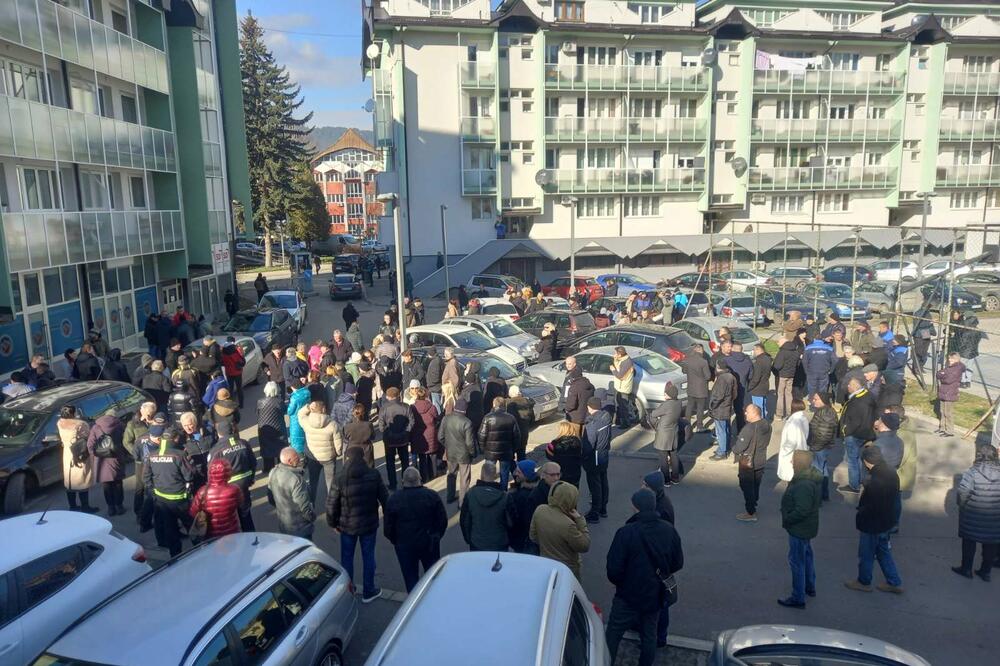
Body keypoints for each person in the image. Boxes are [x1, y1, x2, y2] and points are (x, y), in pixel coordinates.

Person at [605, 488, 684, 664]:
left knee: (613, 633)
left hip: (627, 595)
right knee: (649, 635)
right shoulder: (669, 530)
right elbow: (678, 563)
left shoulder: (626, 532)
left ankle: (606, 661)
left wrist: (621, 584)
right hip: (654, 594)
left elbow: (613, 568)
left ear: (636, 507)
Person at [327, 446, 389, 603]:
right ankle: (369, 591)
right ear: (363, 457)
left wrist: (333, 523)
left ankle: (349, 590)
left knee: (347, 558)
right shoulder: (373, 475)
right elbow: (385, 499)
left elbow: (332, 504)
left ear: (347, 458)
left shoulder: (340, 477)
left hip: (346, 525)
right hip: (369, 525)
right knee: (368, 557)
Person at [846, 446, 903, 594]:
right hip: (886, 522)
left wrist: (860, 515)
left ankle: (864, 581)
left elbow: (868, 506)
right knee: (883, 551)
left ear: (867, 462)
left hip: (872, 524)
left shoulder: (873, 480)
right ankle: (894, 581)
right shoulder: (892, 473)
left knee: (866, 553)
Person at [384, 467, 448, 593]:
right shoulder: (431, 496)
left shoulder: (394, 499)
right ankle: (433, 599)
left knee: (411, 579)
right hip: (428, 543)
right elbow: (442, 521)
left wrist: (396, 541)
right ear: (420, 479)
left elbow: (388, 527)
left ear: (403, 481)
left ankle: (415, 605)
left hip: (405, 545)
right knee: (433, 576)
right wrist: (436, 537)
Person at [778, 450, 822, 608]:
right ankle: (810, 586)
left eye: (793, 460)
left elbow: (802, 510)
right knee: (807, 555)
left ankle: (798, 597)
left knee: (797, 561)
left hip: (799, 528)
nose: (791, 462)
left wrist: (788, 519)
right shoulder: (809, 478)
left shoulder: (803, 484)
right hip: (807, 528)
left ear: (799, 463)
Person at [143, 427, 195, 556]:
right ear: (175, 439)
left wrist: (154, 492)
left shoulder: (152, 455)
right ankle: (200, 550)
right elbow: (189, 475)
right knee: (192, 527)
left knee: (170, 530)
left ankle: (175, 556)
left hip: (162, 500)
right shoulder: (179, 454)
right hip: (180, 499)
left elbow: (146, 477)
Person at [953, 443, 1000, 581]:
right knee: (991, 543)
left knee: (969, 542)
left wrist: (962, 506)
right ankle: (985, 572)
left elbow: (963, 493)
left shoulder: (972, 472)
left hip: (972, 515)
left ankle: (966, 569)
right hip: (994, 517)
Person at [530, 481, 591, 579]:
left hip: (546, 561)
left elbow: (533, 536)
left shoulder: (540, 510)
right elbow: (584, 546)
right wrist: (580, 520)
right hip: (567, 567)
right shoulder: (568, 525)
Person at [460, 461, 513, 552]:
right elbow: (512, 522)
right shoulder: (505, 497)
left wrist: (469, 539)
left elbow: (464, 521)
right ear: (495, 476)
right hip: (499, 543)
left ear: (481, 475)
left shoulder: (470, 494)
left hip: (477, 543)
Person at [732, 404, 772, 522]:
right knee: (756, 484)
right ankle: (754, 501)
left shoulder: (748, 429)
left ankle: (750, 512)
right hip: (761, 460)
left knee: (746, 486)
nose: (745, 414)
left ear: (755, 413)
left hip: (748, 463)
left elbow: (739, 448)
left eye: (747, 412)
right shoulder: (766, 424)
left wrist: (734, 448)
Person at [267, 447, 316, 539]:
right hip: (300, 528)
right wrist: (312, 517)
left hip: (284, 525)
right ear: (289, 461)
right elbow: (304, 506)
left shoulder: (273, 472)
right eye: (296, 457)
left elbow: (271, 498)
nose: (299, 459)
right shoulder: (296, 480)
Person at [300, 400, 343, 505]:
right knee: (330, 483)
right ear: (324, 409)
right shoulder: (333, 425)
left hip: (312, 457)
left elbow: (300, 414)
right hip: (328, 458)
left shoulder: (306, 422)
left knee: (313, 481)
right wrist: (338, 453)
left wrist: (308, 407)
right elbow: (338, 444)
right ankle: (331, 505)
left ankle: (311, 503)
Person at [188, 457, 242, 539]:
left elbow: (193, 512)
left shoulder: (202, 491)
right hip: (232, 531)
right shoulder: (234, 489)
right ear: (228, 472)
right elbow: (240, 503)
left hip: (211, 534)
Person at [839, 377, 876, 494]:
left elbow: (853, 422)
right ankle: (859, 480)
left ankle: (854, 485)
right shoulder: (868, 395)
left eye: (849, 385)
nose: (847, 387)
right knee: (856, 459)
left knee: (852, 461)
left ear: (855, 387)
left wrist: (845, 432)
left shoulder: (857, 402)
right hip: (865, 433)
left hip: (854, 435)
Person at [58, 406, 97, 513]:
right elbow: (88, 437)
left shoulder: (60, 423)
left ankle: (73, 506)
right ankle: (85, 507)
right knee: (82, 479)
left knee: (70, 480)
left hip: (67, 453)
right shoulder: (80, 424)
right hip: (79, 452)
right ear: (73, 413)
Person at [88, 415, 128, 515]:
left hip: (101, 461)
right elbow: (125, 441)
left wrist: (96, 454)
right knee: (118, 483)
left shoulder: (96, 427)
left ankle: (111, 508)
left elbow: (90, 445)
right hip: (116, 458)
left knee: (106, 485)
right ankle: (119, 506)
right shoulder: (119, 425)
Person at [478, 396, 520, 489]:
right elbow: (516, 436)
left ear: (494, 405)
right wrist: (514, 450)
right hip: (506, 451)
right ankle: (503, 492)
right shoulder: (511, 417)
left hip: (490, 451)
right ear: (504, 405)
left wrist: (483, 449)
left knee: (488, 473)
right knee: (504, 474)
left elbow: (482, 435)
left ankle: (487, 489)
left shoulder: (488, 417)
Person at [582, 397, 612, 524]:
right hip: (604, 455)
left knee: (595, 486)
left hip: (594, 458)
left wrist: (583, 457)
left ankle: (594, 513)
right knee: (603, 481)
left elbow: (589, 444)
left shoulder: (592, 423)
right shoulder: (606, 417)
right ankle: (603, 509)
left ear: (589, 407)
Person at [441, 398, 476, 505]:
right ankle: (462, 502)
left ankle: (450, 497)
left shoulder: (446, 419)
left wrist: (447, 446)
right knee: (464, 478)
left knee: (451, 474)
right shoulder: (467, 422)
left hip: (450, 452)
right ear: (465, 409)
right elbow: (470, 443)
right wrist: (472, 453)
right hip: (464, 455)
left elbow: (440, 437)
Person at [379, 387, 414, 491]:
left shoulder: (383, 408)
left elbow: (381, 426)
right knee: (405, 462)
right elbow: (411, 422)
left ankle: (393, 484)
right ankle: (406, 482)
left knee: (390, 463)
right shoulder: (406, 407)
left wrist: (389, 434)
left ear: (388, 397)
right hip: (403, 439)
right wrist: (405, 432)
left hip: (389, 441)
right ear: (399, 395)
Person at [651, 383, 683, 485]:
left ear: (668, 395)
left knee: (663, 458)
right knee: (674, 456)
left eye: (665, 394)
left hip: (664, 435)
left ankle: (666, 480)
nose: (664, 395)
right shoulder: (678, 403)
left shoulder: (666, 404)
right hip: (674, 433)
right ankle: (675, 478)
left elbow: (654, 414)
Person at [808, 393, 838, 501]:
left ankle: (818, 497)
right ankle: (824, 494)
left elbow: (823, 434)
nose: (813, 401)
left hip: (819, 447)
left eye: (816, 399)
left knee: (817, 473)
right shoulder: (827, 411)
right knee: (823, 470)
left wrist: (815, 447)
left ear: (823, 400)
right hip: (823, 447)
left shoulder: (824, 412)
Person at [410, 388, 441, 481]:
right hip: (431, 432)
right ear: (426, 396)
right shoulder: (432, 407)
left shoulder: (412, 407)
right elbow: (437, 418)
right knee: (433, 455)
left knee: (422, 456)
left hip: (419, 435)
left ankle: (423, 477)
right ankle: (434, 475)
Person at [709, 360, 738, 461]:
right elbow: (735, 393)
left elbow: (718, 396)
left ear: (719, 367)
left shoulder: (722, 379)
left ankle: (722, 452)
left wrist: (713, 406)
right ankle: (726, 447)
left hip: (720, 409)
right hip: (727, 406)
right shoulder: (731, 376)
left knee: (721, 431)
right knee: (726, 428)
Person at [509, 461, 540, 553]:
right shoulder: (536, 490)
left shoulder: (522, 496)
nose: (514, 474)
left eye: (519, 472)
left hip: (523, 540)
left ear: (526, 475)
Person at [777, 399, 809, 483]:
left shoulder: (793, 423)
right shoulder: (803, 419)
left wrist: (784, 452)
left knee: (792, 481)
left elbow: (791, 443)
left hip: (792, 456)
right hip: (800, 453)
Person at [680, 344, 710, 435]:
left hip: (691, 388)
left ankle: (687, 425)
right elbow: (708, 376)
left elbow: (684, 371)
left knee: (689, 406)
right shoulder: (703, 362)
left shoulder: (687, 360)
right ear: (701, 351)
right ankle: (699, 426)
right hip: (701, 389)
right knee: (700, 408)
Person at [563, 356, 595, 437]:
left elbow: (571, 404)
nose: (567, 366)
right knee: (584, 436)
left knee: (575, 437)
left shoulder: (574, 387)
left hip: (575, 417)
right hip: (585, 415)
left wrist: (566, 408)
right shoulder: (589, 384)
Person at [546, 420, 583, 488]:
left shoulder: (554, 443)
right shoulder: (578, 442)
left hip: (560, 474)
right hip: (575, 473)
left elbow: (548, 455)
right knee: (573, 491)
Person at [936, 352, 965, 438]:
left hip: (950, 393)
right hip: (944, 391)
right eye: (949, 358)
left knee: (948, 413)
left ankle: (949, 430)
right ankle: (942, 427)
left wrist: (942, 375)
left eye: (952, 359)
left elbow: (948, 380)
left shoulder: (957, 368)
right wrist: (942, 374)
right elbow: (938, 374)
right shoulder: (950, 367)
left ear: (957, 359)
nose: (950, 360)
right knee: (942, 411)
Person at [772, 336, 800, 419]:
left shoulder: (782, 352)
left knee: (780, 395)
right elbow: (798, 364)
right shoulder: (795, 351)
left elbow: (777, 365)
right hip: (791, 375)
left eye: (779, 343)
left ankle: (779, 414)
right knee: (789, 394)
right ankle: (789, 412)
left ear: (783, 343)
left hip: (782, 376)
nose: (778, 344)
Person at [506, 384, 534, 463]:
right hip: (524, 433)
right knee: (522, 455)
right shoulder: (527, 403)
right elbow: (532, 418)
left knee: (510, 458)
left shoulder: (509, 404)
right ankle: (522, 472)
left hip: (513, 435)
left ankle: (515, 473)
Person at [609, 347, 636, 427]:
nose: (614, 355)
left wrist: (613, 370)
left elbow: (620, 375)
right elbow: (619, 366)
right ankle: (619, 420)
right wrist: (615, 360)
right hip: (620, 387)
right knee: (619, 405)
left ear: (620, 354)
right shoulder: (623, 360)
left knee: (624, 407)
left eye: (616, 353)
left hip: (623, 388)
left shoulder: (626, 362)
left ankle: (626, 423)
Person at [802, 335, 835, 399]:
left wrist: (806, 371)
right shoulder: (829, 348)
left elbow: (804, 361)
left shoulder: (808, 348)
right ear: (822, 340)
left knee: (812, 389)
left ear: (814, 339)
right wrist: (831, 370)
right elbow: (835, 360)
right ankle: (821, 404)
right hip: (824, 372)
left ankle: (812, 404)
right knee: (822, 389)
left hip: (811, 372)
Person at [748, 344, 772, 420]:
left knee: (758, 408)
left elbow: (756, 378)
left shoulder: (758, 362)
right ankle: (765, 420)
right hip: (765, 385)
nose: (753, 352)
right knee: (763, 405)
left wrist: (749, 387)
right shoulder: (768, 359)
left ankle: (760, 424)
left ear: (758, 349)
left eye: (754, 350)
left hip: (757, 389)